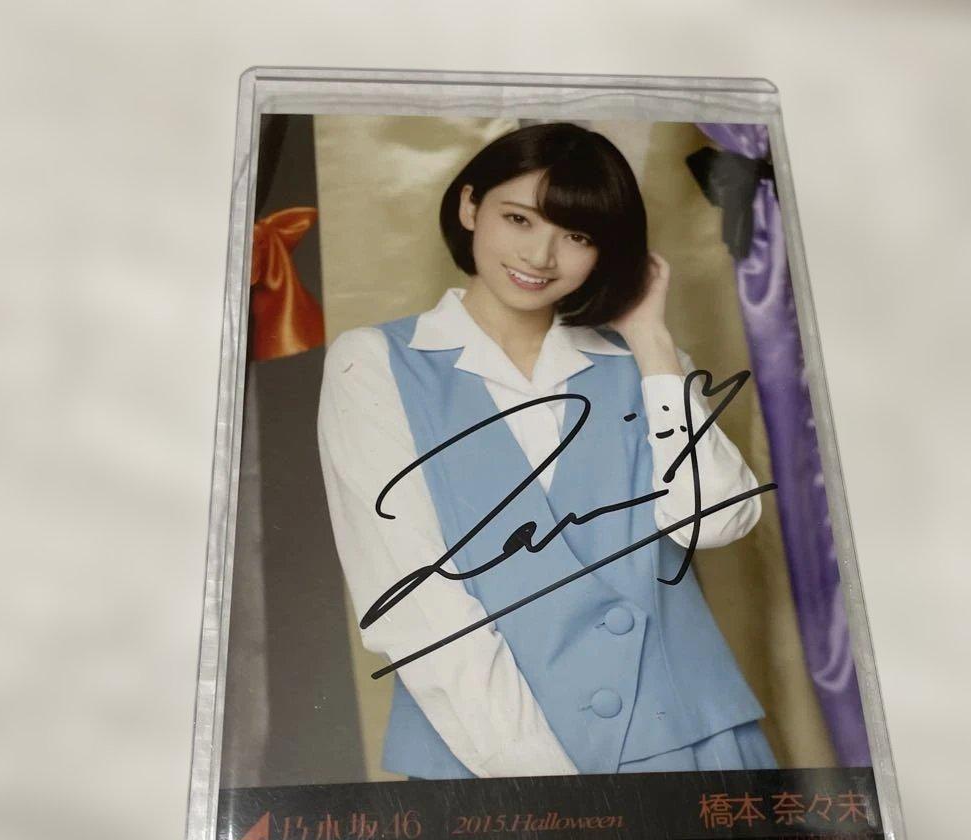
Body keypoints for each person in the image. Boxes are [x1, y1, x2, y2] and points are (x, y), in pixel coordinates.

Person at [318, 122, 777, 780]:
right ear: (470, 206)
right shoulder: (375, 364)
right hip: (490, 758)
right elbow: (412, 603)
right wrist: (545, 784)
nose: (540, 256)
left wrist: (651, 342)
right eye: (519, 219)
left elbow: (718, 522)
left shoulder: (649, 365)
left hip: (689, 747)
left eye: (578, 236)